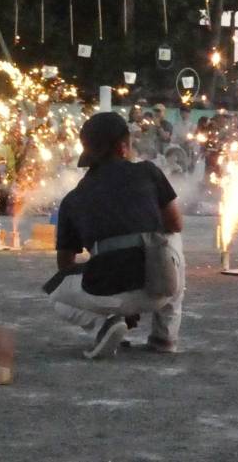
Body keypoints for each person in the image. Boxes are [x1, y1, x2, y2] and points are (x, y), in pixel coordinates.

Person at [44, 112, 185, 360]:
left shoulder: (72, 199)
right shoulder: (148, 171)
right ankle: (164, 337)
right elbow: (176, 223)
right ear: (122, 147)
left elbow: (64, 266)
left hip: (107, 292)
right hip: (160, 287)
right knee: (170, 237)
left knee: (56, 293)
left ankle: (105, 325)